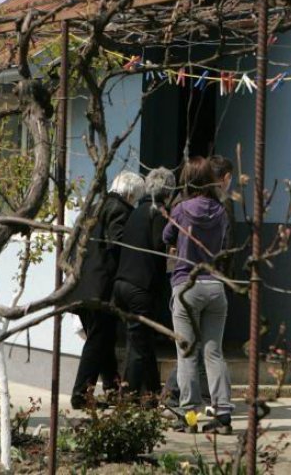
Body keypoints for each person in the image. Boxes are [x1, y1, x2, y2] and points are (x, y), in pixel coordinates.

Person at [163, 156, 234, 434]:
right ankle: (224, 414)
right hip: (215, 286)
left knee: (187, 354)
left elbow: (166, 236)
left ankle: (189, 417)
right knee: (214, 352)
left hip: (187, 285)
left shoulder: (181, 209)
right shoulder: (220, 210)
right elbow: (225, 242)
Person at [70, 171, 145, 409]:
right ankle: (81, 394)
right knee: (98, 339)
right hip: (100, 287)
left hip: (82, 282)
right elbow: (118, 244)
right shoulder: (119, 210)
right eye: (137, 198)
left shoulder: (93, 206)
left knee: (104, 338)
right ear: (131, 194)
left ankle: (112, 388)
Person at [113, 167, 175, 403]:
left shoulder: (136, 211)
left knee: (144, 340)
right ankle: (127, 398)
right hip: (141, 286)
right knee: (138, 345)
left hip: (123, 283)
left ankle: (152, 391)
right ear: (168, 192)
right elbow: (159, 247)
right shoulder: (157, 213)